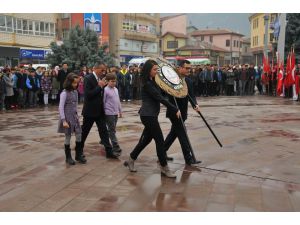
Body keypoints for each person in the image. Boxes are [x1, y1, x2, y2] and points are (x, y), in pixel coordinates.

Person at [124, 59, 181, 178]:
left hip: (151, 115)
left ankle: (131, 159)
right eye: (154, 69)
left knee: (146, 140)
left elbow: (163, 94)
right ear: (148, 70)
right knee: (159, 141)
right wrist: (174, 109)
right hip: (147, 115)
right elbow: (159, 98)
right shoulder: (147, 84)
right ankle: (164, 167)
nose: (157, 71)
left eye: (157, 69)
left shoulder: (153, 81)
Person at [163, 60, 201, 166]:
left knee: (173, 134)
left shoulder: (188, 81)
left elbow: (191, 95)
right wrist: (175, 109)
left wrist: (195, 105)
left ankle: (161, 152)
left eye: (190, 68)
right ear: (180, 68)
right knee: (183, 134)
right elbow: (168, 96)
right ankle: (188, 159)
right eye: (187, 68)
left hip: (183, 112)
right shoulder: (172, 81)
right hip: (174, 112)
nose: (189, 70)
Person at [81, 63, 119, 161]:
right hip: (90, 111)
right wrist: (99, 86)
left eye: (104, 70)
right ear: (95, 68)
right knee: (84, 132)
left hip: (99, 111)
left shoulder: (101, 79)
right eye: (102, 70)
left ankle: (109, 152)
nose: (103, 72)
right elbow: (88, 95)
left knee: (104, 132)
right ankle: (79, 151)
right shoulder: (88, 78)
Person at [58, 73, 83, 165]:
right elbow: (61, 107)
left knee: (79, 134)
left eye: (76, 83)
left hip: (74, 117)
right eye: (74, 83)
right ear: (69, 82)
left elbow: (75, 105)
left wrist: (76, 114)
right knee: (68, 136)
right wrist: (63, 120)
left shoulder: (75, 92)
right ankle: (68, 157)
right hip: (67, 118)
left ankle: (78, 155)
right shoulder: (64, 93)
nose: (75, 85)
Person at [103, 73, 123, 155]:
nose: (114, 83)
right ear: (107, 81)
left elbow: (118, 101)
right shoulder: (105, 90)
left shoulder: (116, 89)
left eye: (115, 81)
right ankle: (115, 146)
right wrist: (103, 112)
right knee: (112, 130)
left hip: (115, 112)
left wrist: (120, 111)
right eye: (112, 81)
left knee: (112, 129)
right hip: (108, 112)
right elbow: (103, 102)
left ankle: (103, 140)